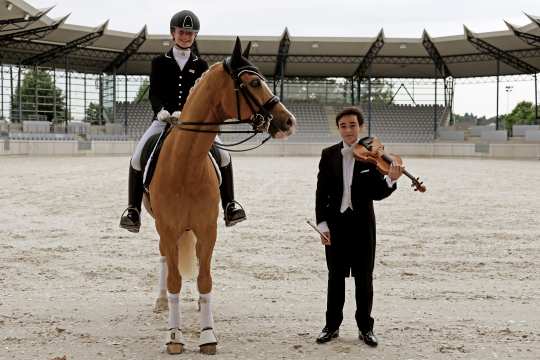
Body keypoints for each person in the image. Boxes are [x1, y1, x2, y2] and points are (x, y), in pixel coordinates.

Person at [119, 10, 246, 233]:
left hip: (195, 123)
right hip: (164, 120)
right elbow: (155, 93)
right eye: (182, 32)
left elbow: (206, 97)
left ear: (195, 36)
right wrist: (161, 111)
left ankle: (230, 205)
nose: (185, 37)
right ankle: (133, 210)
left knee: (224, 155)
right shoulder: (159, 62)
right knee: (138, 156)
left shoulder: (202, 65)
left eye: (190, 33)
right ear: (173, 33)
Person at [315, 106, 403, 347]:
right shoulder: (328, 154)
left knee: (364, 279)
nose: (348, 130)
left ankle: (365, 328)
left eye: (352, 125)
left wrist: (390, 179)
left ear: (360, 127)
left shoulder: (371, 155)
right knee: (335, 278)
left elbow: (377, 192)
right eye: (343, 126)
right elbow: (321, 192)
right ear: (339, 128)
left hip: (363, 225)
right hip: (335, 224)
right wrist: (322, 223)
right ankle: (331, 326)